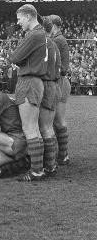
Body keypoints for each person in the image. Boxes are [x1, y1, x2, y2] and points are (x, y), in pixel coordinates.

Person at [10, 4, 48, 182]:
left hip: (29, 81)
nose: (18, 23)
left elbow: (15, 57)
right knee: (35, 129)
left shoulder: (34, 34)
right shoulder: (42, 34)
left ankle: (36, 171)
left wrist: (19, 61)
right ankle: (38, 169)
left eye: (19, 19)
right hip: (36, 81)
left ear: (28, 16)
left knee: (29, 128)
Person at [40, 16, 62, 176]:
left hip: (46, 86)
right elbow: (60, 67)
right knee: (48, 127)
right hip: (55, 86)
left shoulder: (43, 44)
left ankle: (48, 165)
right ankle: (51, 164)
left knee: (44, 127)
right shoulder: (54, 44)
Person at [48, 15, 71, 165]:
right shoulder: (59, 38)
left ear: (54, 25)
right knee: (56, 121)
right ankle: (62, 154)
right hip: (62, 81)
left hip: (59, 82)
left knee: (57, 121)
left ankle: (62, 155)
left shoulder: (56, 40)